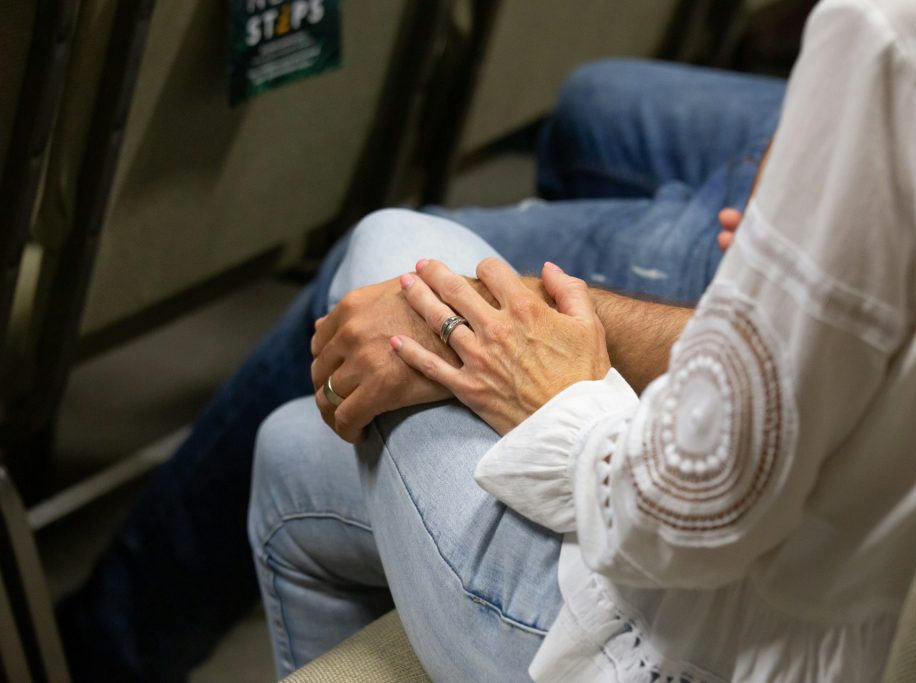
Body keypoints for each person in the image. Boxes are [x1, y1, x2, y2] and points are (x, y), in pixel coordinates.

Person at [248, 0, 916, 681]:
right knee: (290, 450)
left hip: (726, 644)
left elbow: (688, 516)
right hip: (871, 570)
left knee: (393, 253)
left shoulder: (896, 41)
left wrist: (562, 393)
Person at [57, 57, 785, 682]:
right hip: (720, 501)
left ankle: (96, 650)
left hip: (666, 626)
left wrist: (554, 372)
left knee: (387, 261)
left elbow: (767, 402)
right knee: (288, 447)